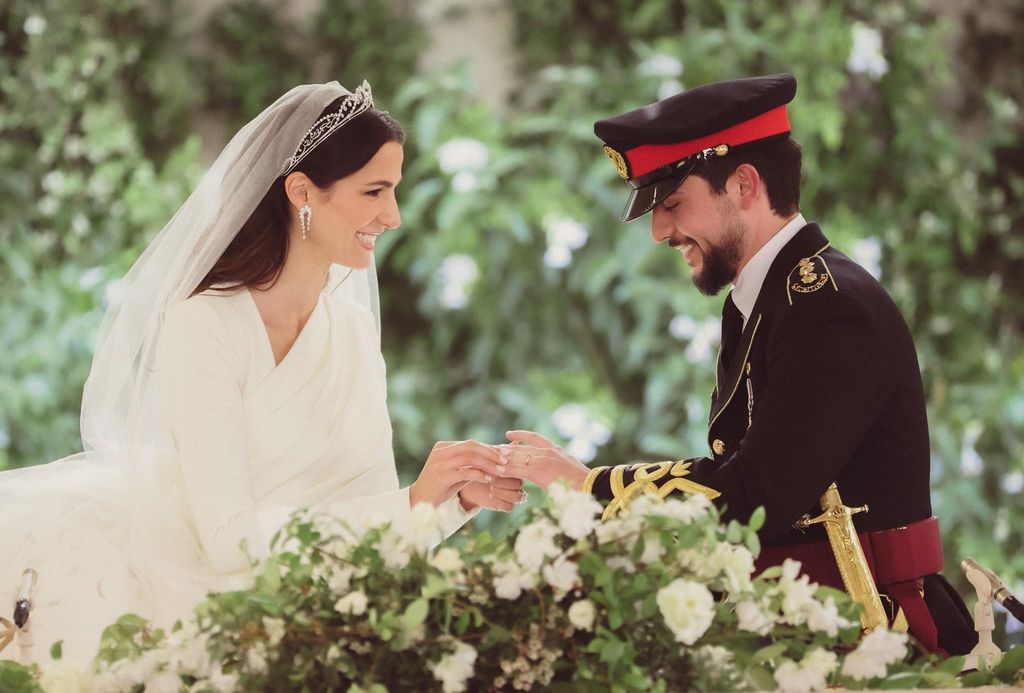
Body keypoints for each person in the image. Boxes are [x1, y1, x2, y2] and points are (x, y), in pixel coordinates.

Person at [0, 81, 522, 667]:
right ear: (302, 191)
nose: (393, 216)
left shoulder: (349, 331)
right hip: (199, 610)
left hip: (315, 614)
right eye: (375, 190)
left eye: (394, 191)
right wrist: (411, 503)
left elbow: (369, 516)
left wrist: (446, 503)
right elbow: (229, 545)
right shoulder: (205, 326)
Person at [503, 73, 975, 655]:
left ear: (745, 185)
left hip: (875, 633)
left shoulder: (828, 307)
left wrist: (592, 486)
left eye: (673, 203)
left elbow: (753, 496)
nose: (659, 231)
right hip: (817, 622)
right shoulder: (772, 298)